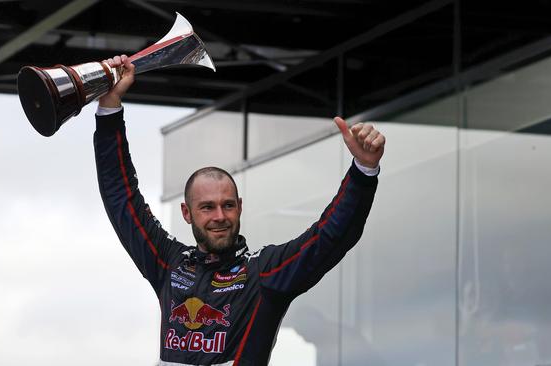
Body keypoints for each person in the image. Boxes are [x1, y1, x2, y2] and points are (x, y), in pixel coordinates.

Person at [94, 55, 385, 366]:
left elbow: (330, 237)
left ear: (240, 207)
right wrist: (110, 108)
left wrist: (363, 171)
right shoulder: (169, 264)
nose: (219, 216)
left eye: (228, 205)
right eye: (207, 207)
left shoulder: (263, 273)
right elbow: (122, 199)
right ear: (186, 213)